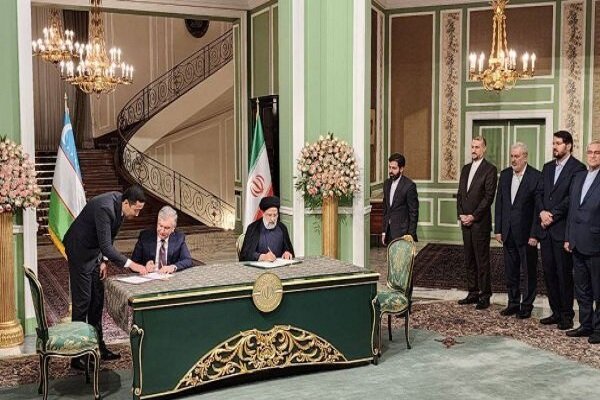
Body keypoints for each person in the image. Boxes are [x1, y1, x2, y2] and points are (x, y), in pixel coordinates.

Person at [63, 185, 148, 370]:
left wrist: (104, 261)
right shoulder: (105, 208)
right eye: (136, 210)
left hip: (95, 253)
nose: (137, 214)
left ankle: (99, 348)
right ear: (126, 203)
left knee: (97, 300)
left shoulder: (120, 207)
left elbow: (109, 238)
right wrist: (133, 265)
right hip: (79, 251)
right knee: (83, 302)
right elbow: (107, 246)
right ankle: (77, 356)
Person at [536, 130, 586, 330]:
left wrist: (552, 215)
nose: (554, 147)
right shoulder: (547, 167)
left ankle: (566, 315)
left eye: (558, 143)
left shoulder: (578, 168)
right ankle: (555, 312)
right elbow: (539, 193)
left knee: (564, 274)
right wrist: (542, 212)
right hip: (545, 230)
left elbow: (571, 198)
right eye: (553, 143)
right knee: (549, 273)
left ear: (569, 146)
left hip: (562, 230)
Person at [494, 143, 541, 319]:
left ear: (525, 157)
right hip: (508, 232)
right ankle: (513, 303)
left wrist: (535, 234)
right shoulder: (505, 175)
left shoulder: (536, 176)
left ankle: (526, 305)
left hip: (527, 234)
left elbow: (537, 208)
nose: (513, 160)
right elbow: (500, 203)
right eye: (512, 156)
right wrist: (498, 229)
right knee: (510, 271)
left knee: (528, 272)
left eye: (517, 156)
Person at [564, 140, 600, 344]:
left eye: (597, 152)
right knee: (582, 288)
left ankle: (599, 328)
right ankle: (586, 325)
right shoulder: (579, 177)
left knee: (598, 290)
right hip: (577, 242)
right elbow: (572, 210)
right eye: (590, 152)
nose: (593, 155)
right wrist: (568, 237)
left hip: (596, 244)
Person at [457, 136, 498, 310]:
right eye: (472, 147)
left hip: (479, 223)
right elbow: (460, 194)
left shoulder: (490, 169)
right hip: (465, 222)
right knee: (469, 259)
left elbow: (488, 197)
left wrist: (473, 216)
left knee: (482, 261)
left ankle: (485, 295)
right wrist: (461, 215)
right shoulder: (465, 168)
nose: (474, 150)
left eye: (477, 147)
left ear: (484, 149)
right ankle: (472, 292)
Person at [131, 205, 193, 273]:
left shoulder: (179, 238)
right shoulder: (145, 237)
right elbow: (133, 262)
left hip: (169, 277)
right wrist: (145, 267)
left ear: (173, 228)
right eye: (160, 226)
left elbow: (188, 260)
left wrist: (173, 267)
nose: (162, 231)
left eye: (166, 228)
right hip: (149, 276)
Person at [239, 196, 294, 262]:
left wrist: (287, 252)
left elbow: (289, 250)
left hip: (279, 266)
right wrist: (262, 257)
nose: (273, 219)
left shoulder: (282, 228)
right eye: (269, 215)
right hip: (258, 267)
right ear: (262, 213)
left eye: (275, 215)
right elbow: (245, 255)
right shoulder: (253, 228)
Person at [381, 152, 419, 245]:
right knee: (389, 254)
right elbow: (386, 209)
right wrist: (384, 232)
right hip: (389, 231)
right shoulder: (386, 184)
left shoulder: (409, 186)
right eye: (390, 167)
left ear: (401, 169)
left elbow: (413, 213)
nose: (391, 171)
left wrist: (410, 235)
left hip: (403, 233)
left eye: (394, 168)